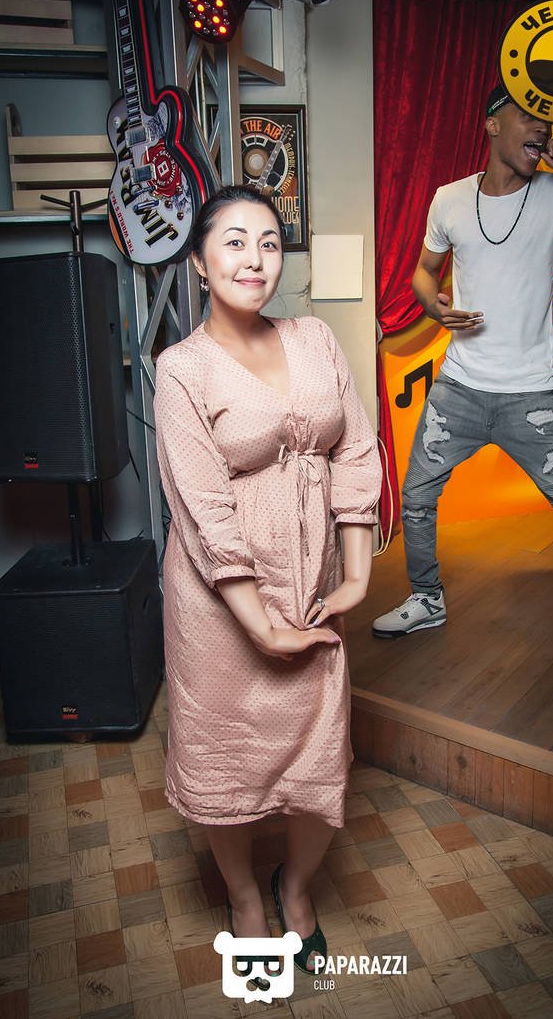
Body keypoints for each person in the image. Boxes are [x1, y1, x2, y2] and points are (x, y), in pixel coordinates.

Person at [154, 185, 382, 973]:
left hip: (311, 583)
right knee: (226, 758)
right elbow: (203, 507)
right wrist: (259, 625)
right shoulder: (181, 369)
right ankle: (246, 897)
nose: (255, 259)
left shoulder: (315, 338)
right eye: (235, 242)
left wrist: (357, 570)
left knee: (320, 751)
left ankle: (297, 887)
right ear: (199, 261)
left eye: (270, 242)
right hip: (219, 604)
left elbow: (355, 449)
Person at [372, 85, 553, 696]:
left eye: (548, 119)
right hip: (460, 388)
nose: (542, 128)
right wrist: (433, 306)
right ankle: (426, 599)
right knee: (416, 497)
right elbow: (423, 271)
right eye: (529, 115)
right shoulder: (449, 199)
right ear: (493, 124)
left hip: (534, 396)